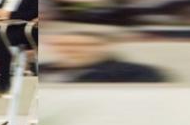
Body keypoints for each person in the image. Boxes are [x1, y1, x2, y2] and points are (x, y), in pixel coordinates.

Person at [40, 30, 168, 82]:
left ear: (104, 46)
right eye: (63, 44)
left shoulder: (137, 72)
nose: (72, 49)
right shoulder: (40, 70)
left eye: (83, 45)